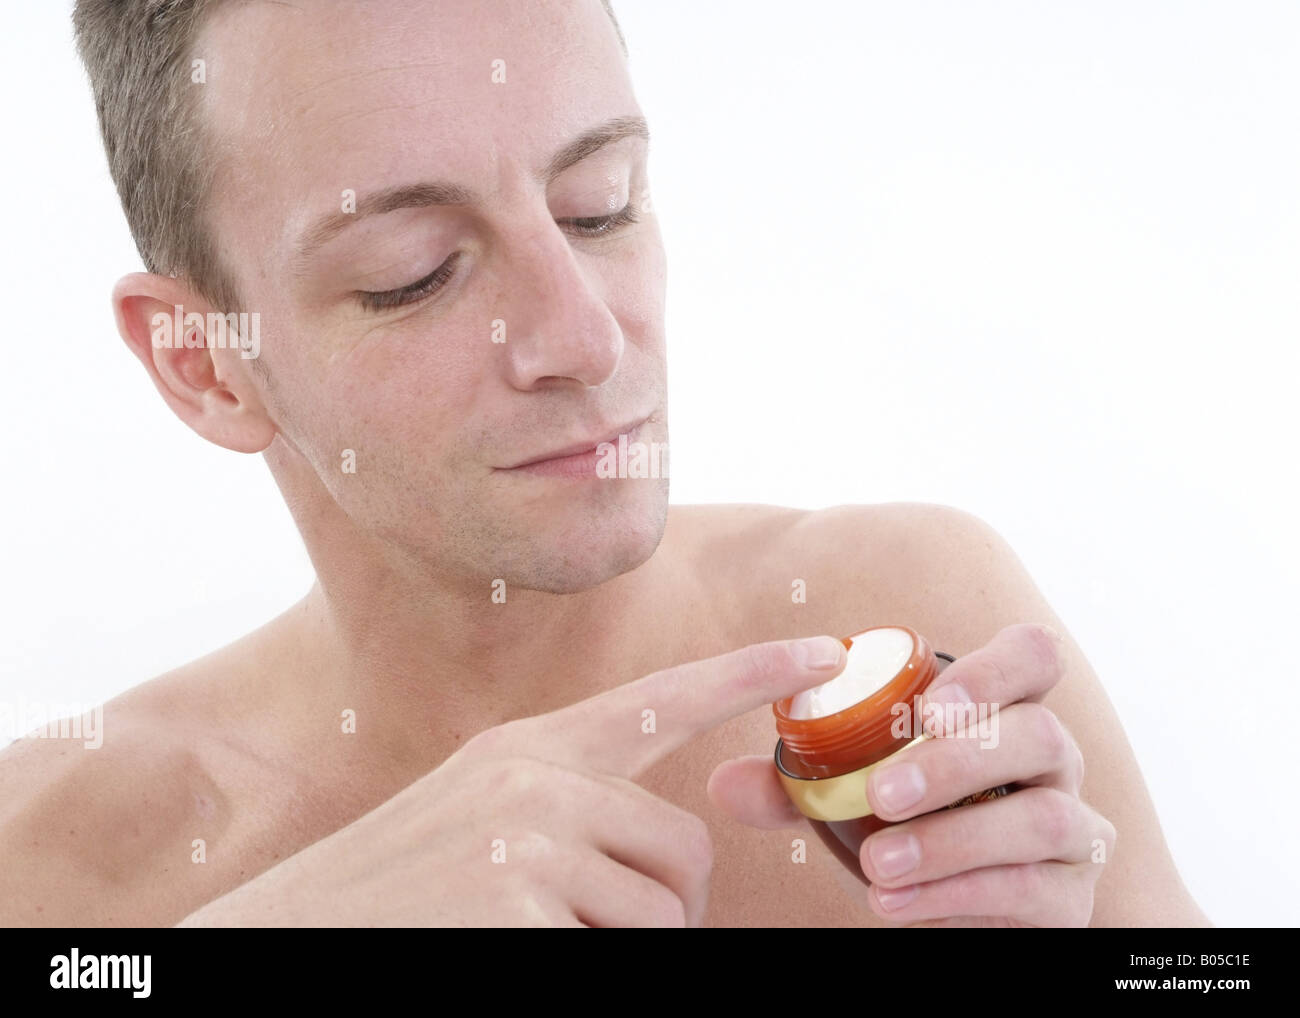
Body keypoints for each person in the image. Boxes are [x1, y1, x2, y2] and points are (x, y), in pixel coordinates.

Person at [0, 0, 1208, 927]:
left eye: (599, 204)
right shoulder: (59, 850)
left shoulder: (911, 598)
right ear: (206, 363)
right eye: (412, 271)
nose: (584, 335)